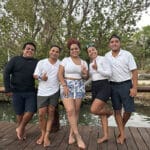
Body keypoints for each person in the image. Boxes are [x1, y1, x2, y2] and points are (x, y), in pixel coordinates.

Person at [105, 34, 138, 144]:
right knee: (117, 110)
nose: (114, 43)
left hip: (126, 85)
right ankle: (122, 135)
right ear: (109, 44)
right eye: (112, 42)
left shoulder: (127, 55)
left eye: (116, 41)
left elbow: (134, 71)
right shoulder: (106, 56)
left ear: (120, 43)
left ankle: (121, 128)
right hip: (113, 86)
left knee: (128, 110)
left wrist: (134, 87)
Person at [3, 42, 38, 140]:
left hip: (30, 91)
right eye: (28, 48)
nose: (30, 51)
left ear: (34, 52)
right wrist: (7, 88)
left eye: (32, 49)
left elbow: (43, 73)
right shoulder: (15, 60)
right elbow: (6, 73)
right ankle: (22, 130)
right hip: (16, 91)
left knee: (31, 111)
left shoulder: (36, 62)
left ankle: (20, 128)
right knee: (19, 113)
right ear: (23, 50)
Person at [58, 38, 88, 149]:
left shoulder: (84, 62)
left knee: (76, 111)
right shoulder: (65, 60)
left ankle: (71, 135)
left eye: (76, 48)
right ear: (69, 51)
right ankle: (78, 135)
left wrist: (85, 74)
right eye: (72, 49)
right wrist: (64, 85)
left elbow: (86, 77)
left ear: (79, 50)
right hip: (67, 85)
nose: (74, 50)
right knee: (70, 110)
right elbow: (60, 75)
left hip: (79, 85)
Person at [33, 45, 61, 147]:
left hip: (54, 91)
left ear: (59, 54)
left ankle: (47, 135)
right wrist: (41, 77)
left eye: (57, 51)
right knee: (41, 114)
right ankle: (43, 133)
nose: (54, 53)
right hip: (42, 92)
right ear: (49, 51)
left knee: (51, 112)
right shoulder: (41, 62)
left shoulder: (61, 64)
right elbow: (35, 75)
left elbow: (63, 76)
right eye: (53, 50)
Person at [86, 45, 113, 143]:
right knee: (102, 114)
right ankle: (105, 136)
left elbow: (109, 74)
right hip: (94, 87)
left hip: (104, 86)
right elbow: (92, 77)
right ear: (88, 54)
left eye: (93, 49)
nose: (92, 52)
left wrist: (98, 69)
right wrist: (83, 85)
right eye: (89, 51)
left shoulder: (103, 59)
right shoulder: (90, 64)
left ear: (96, 50)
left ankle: (110, 112)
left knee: (94, 109)